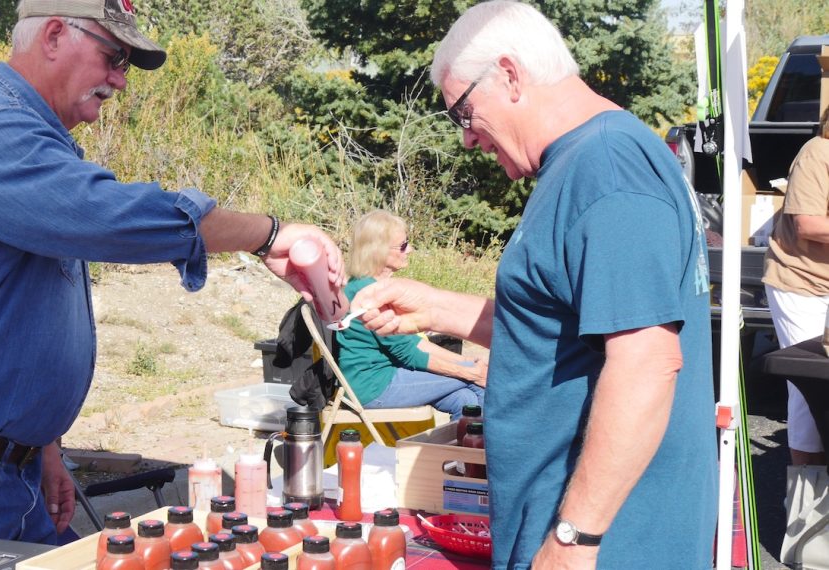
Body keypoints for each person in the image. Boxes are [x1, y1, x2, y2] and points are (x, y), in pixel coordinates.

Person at [0, 0, 345, 566]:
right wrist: (268, 234)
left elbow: (15, 320)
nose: (119, 79)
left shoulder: (31, 142)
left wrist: (43, 445)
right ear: (54, 35)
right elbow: (111, 216)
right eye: (114, 56)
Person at [350, 2, 717, 568]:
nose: (466, 138)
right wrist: (435, 309)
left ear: (509, 75)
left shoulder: (607, 170)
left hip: (610, 544)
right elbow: (566, 332)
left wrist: (574, 539)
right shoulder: (589, 160)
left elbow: (646, 363)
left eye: (463, 112)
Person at [337, 210, 485, 417]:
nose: (410, 250)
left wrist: (466, 361)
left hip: (382, 377)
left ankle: (464, 439)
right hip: (374, 386)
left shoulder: (368, 286)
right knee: (482, 384)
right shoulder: (369, 295)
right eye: (403, 245)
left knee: (464, 400)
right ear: (378, 251)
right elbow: (410, 355)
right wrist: (469, 372)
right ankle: (491, 439)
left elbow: (414, 343)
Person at [763, 106, 829, 466]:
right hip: (802, 284)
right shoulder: (817, 153)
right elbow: (808, 225)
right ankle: (806, 491)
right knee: (809, 388)